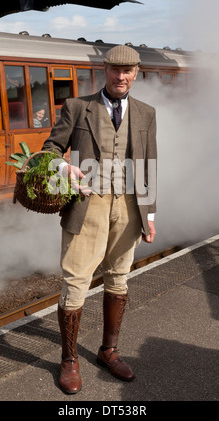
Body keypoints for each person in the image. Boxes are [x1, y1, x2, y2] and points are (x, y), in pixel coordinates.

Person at [42, 45, 157, 394]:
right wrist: (64, 166)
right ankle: (69, 359)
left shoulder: (146, 112)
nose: (121, 77)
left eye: (128, 71)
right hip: (87, 206)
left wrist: (150, 213)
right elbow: (49, 149)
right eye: (115, 70)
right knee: (76, 281)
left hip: (129, 207)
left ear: (137, 73)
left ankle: (109, 350)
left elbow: (150, 164)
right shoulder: (77, 108)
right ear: (104, 69)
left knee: (119, 278)